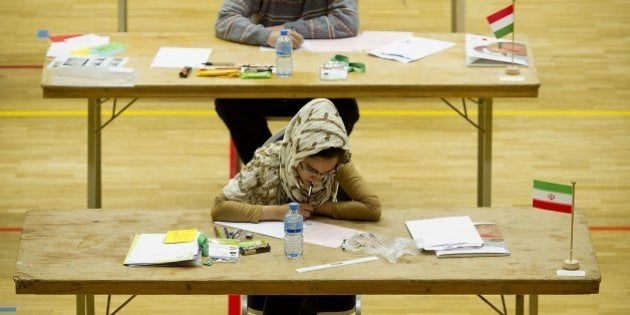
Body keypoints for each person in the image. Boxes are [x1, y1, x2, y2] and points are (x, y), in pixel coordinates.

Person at [211, 98, 381, 315]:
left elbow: (372, 207)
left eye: (325, 173)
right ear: (296, 155)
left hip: (320, 257)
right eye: (310, 169)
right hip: (274, 260)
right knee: (290, 289)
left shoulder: (338, 163)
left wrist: (319, 208)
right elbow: (219, 207)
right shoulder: (268, 160)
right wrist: (279, 212)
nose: (317, 179)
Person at [213, 0, 361, 165]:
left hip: (316, 83)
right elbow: (225, 19)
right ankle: (268, 169)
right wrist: (266, 35)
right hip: (266, 83)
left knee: (345, 107)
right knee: (229, 100)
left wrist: (288, 30)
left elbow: (346, 22)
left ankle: (302, 168)